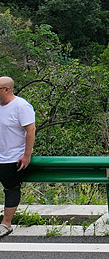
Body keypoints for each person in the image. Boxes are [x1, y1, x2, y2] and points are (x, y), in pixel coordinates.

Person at [0, 76, 35, 237]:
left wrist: (27, 155)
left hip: (12, 157)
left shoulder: (21, 106)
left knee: (11, 188)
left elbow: (30, 130)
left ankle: (6, 223)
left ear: (6, 89)